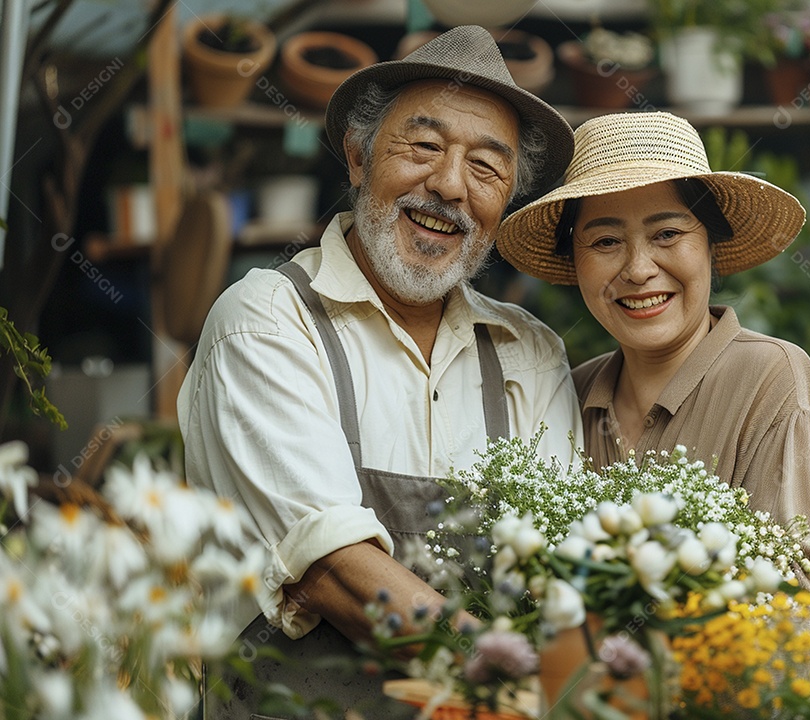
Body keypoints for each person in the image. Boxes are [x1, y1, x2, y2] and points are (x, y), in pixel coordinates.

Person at [177, 26, 583, 718]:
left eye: (486, 168)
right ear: (359, 156)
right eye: (423, 148)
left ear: (505, 200)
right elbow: (335, 572)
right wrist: (512, 688)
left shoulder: (529, 351)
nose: (450, 185)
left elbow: (560, 571)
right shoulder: (267, 320)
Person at [496, 111, 810, 697]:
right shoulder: (568, 395)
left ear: (711, 244)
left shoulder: (772, 380)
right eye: (606, 241)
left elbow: (794, 615)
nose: (639, 269)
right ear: (575, 262)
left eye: (668, 234)